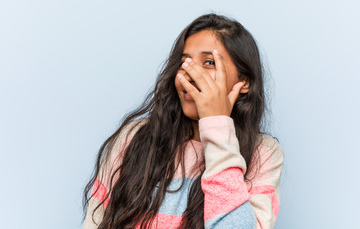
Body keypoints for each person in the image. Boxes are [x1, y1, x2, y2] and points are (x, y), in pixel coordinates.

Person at [82, 13, 284, 229]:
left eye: (208, 62)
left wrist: (217, 125)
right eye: (184, 62)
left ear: (243, 82)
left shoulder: (263, 154)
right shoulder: (134, 137)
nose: (189, 73)